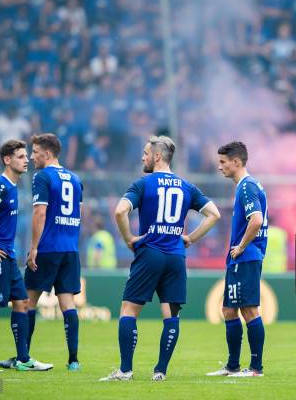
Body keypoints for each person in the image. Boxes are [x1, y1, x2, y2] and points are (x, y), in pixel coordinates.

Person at [100, 135, 220, 382]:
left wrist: (129, 238)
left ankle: (125, 371)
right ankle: (160, 371)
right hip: (176, 255)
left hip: (150, 253)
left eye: (145, 153)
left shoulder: (143, 184)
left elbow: (120, 210)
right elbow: (214, 214)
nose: (142, 157)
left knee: (129, 310)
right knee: (171, 315)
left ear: (156, 156)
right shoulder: (187, 186)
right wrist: (191, 238)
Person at [0, 134, 83, 371]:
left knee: (25, 302)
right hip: (70, 249)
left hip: (47, 249)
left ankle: (22, 357)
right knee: (68, 303)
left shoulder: (43, 177)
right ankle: (73, 360)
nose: (32, 157)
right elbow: (79, 213)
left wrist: (33, 247)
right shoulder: (76, 179)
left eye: (34, 152)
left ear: (47, 153)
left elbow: (40, 213)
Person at [0, 140, 52, 372]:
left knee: (22, 302)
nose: (27, 160)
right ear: (7, 159)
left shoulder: (13, 187)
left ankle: (23, 359)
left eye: (27, 156)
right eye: (21, 156)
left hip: (8, 256)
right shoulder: (1, 187)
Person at [207, 141, 268, 378]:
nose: (219, 166)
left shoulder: (247, 187)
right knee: (229, 310)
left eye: (223, 162)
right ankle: (232, 366)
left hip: (246, 256)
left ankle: (255, 369)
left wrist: (241, 246)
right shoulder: (247, 186)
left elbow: (256, 220)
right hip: (241, 258)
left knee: (249, 310)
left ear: (236, 161)